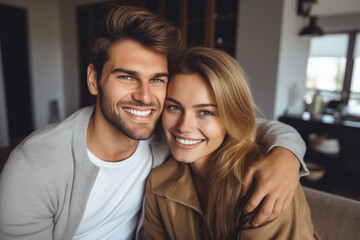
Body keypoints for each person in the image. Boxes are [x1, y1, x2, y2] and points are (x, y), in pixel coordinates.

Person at [0, 5, 307, 240]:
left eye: (157, 80)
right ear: (93, 79)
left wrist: (286, 154)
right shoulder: (34, 168)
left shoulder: (166, 133)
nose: (145, 97)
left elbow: (242, 123)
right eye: (126, 76)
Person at [143, 47, 319, 239]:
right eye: (174, 107)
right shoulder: (158, 182)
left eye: (206, 112)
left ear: (232, 118)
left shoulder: (268, 183)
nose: (184, 126)